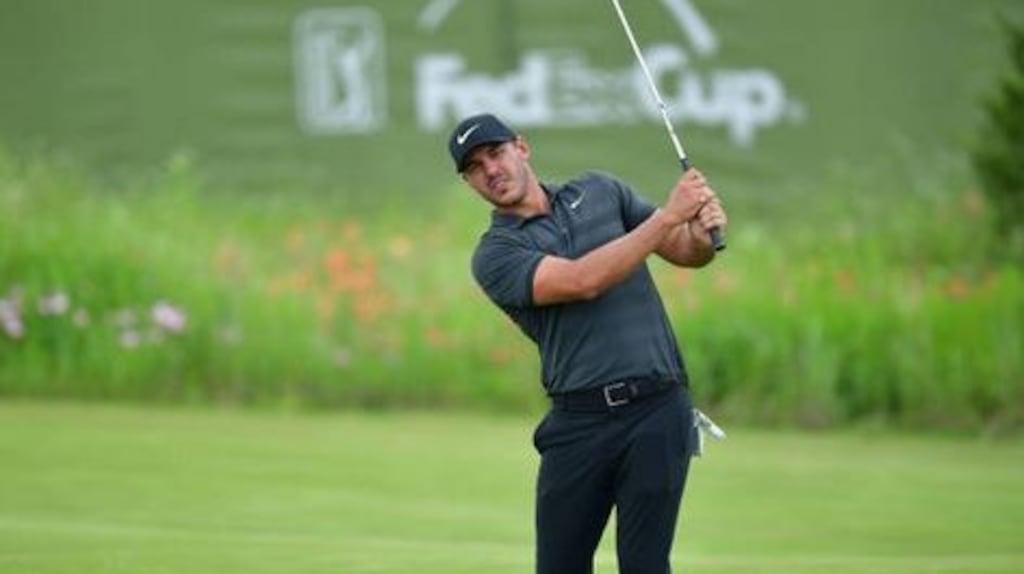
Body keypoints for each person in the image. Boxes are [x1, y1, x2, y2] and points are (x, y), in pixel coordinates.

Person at [448, 112, 727, 574]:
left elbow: (684, 251)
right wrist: (668, 216)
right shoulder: (495, 254)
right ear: (469, 183)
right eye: (474, 167)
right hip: (580, 424)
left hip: (659, 408)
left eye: (495, 153)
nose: (490, 170)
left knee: (646, 565)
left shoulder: (600, 190)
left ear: (522, 147)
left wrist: (699, 229)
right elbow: (582, 281)